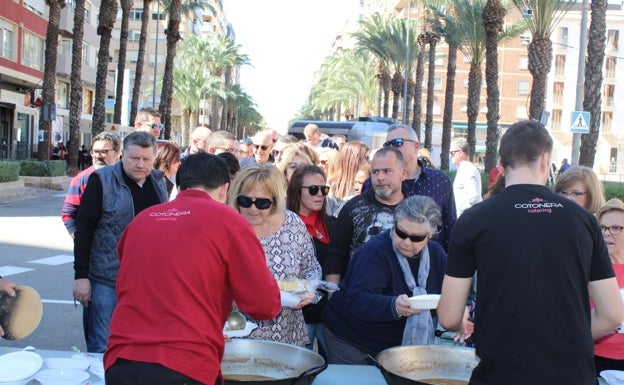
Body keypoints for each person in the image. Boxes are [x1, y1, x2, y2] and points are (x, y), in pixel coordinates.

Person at [437, 120, 624, 385]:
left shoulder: (473, 219)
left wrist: (461, 324)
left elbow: (448, 316)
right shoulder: (584, 220)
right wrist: (565, 337)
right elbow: (612, 314)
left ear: (501, 166)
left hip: (500, 374)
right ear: (545, 160)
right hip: (571, 376)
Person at [104, 153, 281, 385]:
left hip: (122, 361)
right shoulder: (229, 221)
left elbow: (129, 283)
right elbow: (264, 304)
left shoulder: (142, 220)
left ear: (180, 185)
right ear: (224, 189)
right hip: (185, 363)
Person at [73, 131, 169, 353]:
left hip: (146, 282)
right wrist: (81, 277)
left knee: (141, 344)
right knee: (102, 345)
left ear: (154, 157)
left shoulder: (158, 181)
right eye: (134, 158)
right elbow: (84, 230)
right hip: (107, 279)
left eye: (146, 159)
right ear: (122, 155)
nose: (140, 164)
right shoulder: (102, 181)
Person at [323, 196, 447, 364]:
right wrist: (394, 306)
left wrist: (461, 315)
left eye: (416, 238)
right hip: (351, 338)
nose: (406, 242)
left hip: (394, 343)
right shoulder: (374, 252)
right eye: (401, 233)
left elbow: (451, 293)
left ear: (430, 235)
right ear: (394, 224)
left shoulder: (437, 255)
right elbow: (356, 299)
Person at [228, 163, 322, 346]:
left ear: (275, 200)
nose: (253, 209)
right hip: (238, 334)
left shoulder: (292, 223)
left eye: (262, 203)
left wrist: (310, 291)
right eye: (245, 201)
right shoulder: (226, 227)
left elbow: (311, 268)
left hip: (287, 333)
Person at [362, 124, 456, 250]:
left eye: (397, 142)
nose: (391, 148)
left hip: (429, 263)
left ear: (415, 146)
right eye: (387, 144)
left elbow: (450, 226)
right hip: (384, 261)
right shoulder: (374, 183)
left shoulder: (439, 181)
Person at [325, 147, 406, 285]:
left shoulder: (415, 210)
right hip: (359, 296)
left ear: (403, 173)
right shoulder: (353, 208)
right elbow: (335, 255)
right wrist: (333, 296)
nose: (380, 177)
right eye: (375, 172)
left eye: (387, 171)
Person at [286, 165, 334, 357]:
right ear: (297, 191)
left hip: (329, 314)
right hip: (298, 313)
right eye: (313, 189)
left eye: (324, 189)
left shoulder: (333, 224)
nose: (320, 195)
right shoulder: (283, 225)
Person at [61, 132, 122, 238]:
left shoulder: (127, 177)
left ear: (117, 153)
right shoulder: (81, 179)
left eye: (104, 151)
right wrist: (80, 239)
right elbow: (69, 213)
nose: (98, 156)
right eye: (95, 151)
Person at [594, 199, 624, 373]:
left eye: (615, 228)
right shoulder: (588, 268)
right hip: (595, 359)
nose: (607, 234)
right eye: (602, 228)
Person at [326, 141, 370, 218]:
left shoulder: (370, 183)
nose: (369, 162)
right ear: (354, 160)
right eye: (366, 158)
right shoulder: (332, 188)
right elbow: (327, 218)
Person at [450, 138, 483, 217]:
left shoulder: (467, 169)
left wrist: (462, 215)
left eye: (452, 153)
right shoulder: (464, 168)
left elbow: (474, 197)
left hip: (467, 220)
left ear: (460, 152)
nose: (450, 155)